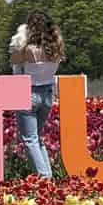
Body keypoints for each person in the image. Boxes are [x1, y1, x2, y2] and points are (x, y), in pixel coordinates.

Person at [10, 10, 65, 177]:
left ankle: (44, 177)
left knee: (29, 139)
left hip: (29, 93)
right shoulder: (56, 48)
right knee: (37, 138)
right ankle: (47, 174)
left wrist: (21, 38)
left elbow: (13, 59)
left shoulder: (28, 49)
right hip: (48, 93)